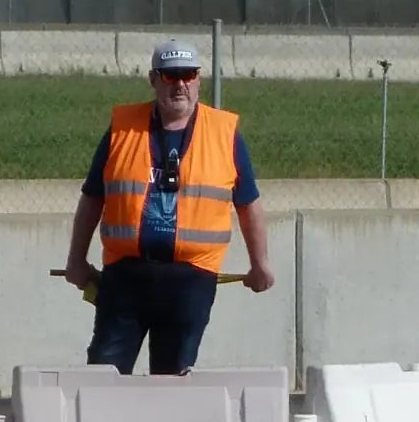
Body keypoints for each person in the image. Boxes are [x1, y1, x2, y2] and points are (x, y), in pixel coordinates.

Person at [58, 40, 275, 375]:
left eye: (187, 75)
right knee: (102, 374)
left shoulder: (224, 134)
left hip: (191, 277)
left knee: (173, 378)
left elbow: (248, 205)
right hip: (125, 276)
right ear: (153, 79)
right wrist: (75, 260)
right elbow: (92, 198)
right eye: (170, 76)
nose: (180, 84)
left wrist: (259, 264)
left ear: (199, 78)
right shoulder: (122, 128)